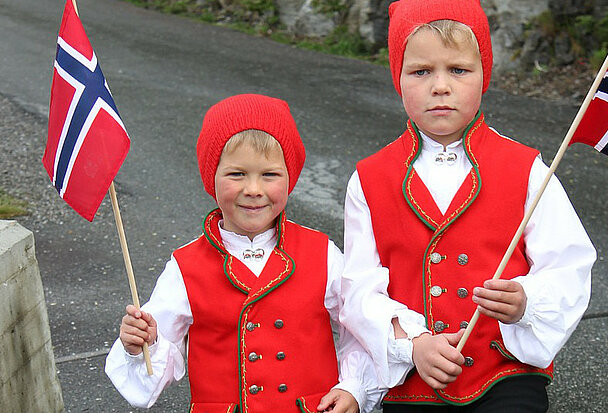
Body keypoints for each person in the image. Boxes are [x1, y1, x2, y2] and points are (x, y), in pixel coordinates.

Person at [340, 0, 597, 412]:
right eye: (421, 72)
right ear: (397, 77)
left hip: (505, 374)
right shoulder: (368, 178)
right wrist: (414, 344)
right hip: (413, 377)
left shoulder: (527, 168)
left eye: (458, 70)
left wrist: (526, 300)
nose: (440, 86)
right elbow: (360, 287)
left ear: (484, 74)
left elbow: (568, 262)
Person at [105, 94, 395, 413]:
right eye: (237, 174)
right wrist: (140, 345)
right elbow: (159, 359)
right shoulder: (185, 267)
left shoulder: (321, 252)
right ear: (211, 177)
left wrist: (353, 386)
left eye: (269, 175)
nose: (254, 189)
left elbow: (360, 323)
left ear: (290, 178)